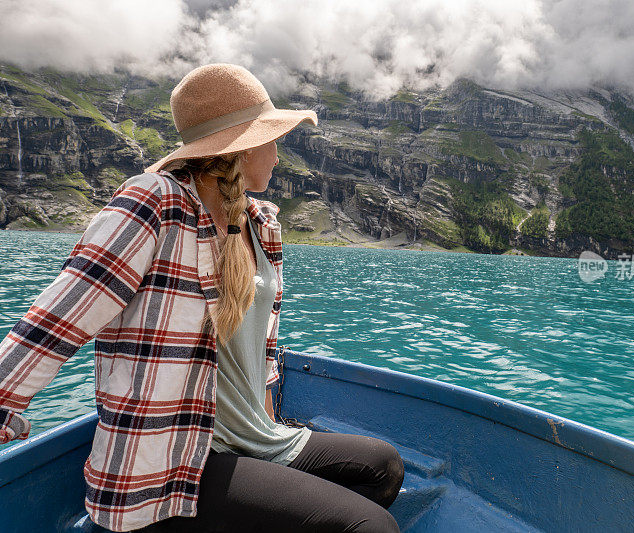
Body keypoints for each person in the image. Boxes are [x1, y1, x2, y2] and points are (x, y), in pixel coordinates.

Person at [0, 63, 403, 532]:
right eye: (272, 141)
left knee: (384, 467)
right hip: (176, 462)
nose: (278, 157)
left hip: (253, 438)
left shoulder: (261, 223)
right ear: (243, 146)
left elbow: (262, 348)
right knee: (372, 527)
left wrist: (269, 424)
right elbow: (56, 320)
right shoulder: (156, 203)